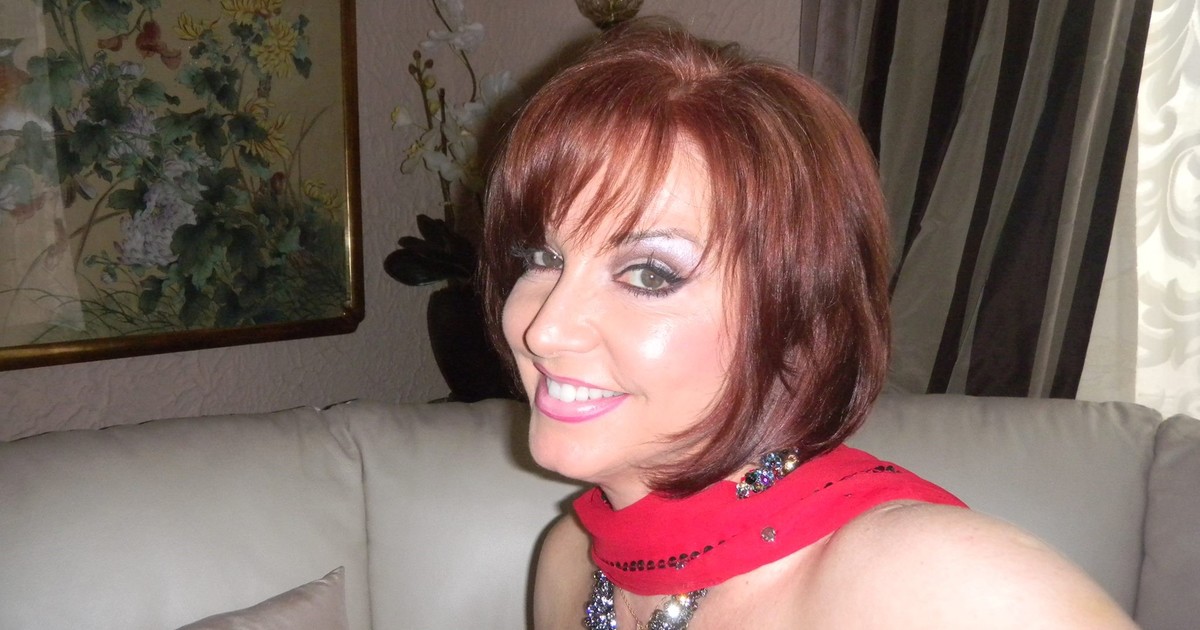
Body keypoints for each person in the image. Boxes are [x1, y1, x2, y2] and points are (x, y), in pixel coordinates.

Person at [479, 19, 1135, 629]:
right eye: (543, 257)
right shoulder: (570, 561)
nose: (545, 331)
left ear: (797, 322)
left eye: (649, 275)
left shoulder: (942, 585)